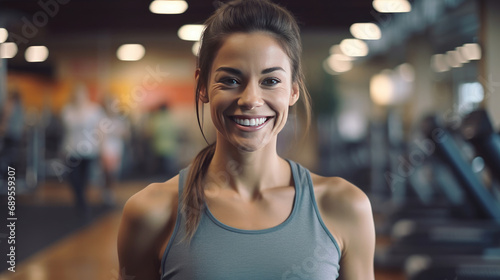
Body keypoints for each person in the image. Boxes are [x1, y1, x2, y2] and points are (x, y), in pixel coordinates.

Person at [117, 0, 375, 279]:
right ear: (202, 87)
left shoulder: (344, 206)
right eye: (230, 80)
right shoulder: (150, 213)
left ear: (293, 91)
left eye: (271, 81)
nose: (251, 99)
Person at [61, 83, 106, 217]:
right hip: (71, 149)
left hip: (89, 150)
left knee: (84, 178)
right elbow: (66, 131)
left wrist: (101, 147)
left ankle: (82, 203)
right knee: (73, 178)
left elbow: (101, 129)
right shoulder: (67, 110)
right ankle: (79, 200)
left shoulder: (94, 110)